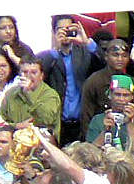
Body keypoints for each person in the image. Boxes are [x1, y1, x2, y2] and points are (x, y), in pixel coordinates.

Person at [38, 15, 103, 146]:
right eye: (60, 29)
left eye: (68, 29)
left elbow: (103, 64)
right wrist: (56, 49)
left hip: (82, 120)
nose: (65, 33)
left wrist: (87, 42)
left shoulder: (85, 52)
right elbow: (40, 75)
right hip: (58, 122)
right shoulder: (47, 56)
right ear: (54, 32)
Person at [0, 56, 62, 142]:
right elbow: (1, 122)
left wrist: (28, 94)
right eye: (25, 72)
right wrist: (17, 126)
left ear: (41, 75)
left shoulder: (50, 95)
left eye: (34, 72)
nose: (29, 76)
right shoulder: (10, 94)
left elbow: (46, 120)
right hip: (15, 145)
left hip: (41, 146)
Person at [81, 39, 133, 136]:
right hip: (98, 134)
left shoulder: (133, 83)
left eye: (124, 56)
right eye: (115, 55)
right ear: (106, 56)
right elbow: (86, 117)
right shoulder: (94, 81)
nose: (120, 59)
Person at [86, 74, 134, 150]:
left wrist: (129, 123)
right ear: (110, 95)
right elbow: (90, 150)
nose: (121, 99)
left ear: (132, 97)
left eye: (126, 95)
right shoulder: (98, 120)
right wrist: (106, 130)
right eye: (117, 94)